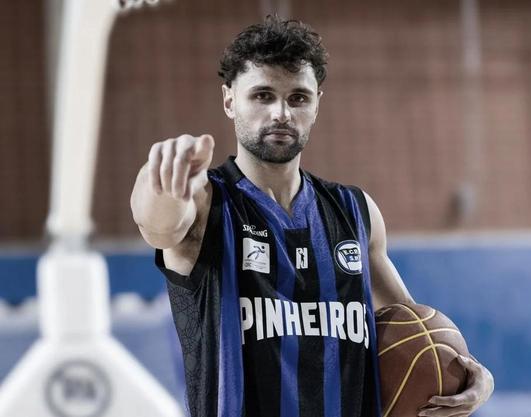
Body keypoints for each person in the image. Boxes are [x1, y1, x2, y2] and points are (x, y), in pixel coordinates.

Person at [130, 15, 494, 417]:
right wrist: (161, 179)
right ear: (229, 100)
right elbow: (158, 224)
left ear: (317, 102)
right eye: (263, 95)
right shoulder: (206, 203)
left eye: (298, 98)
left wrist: (471, 374)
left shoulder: (356, 212)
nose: (281, 113)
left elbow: (414, 329)